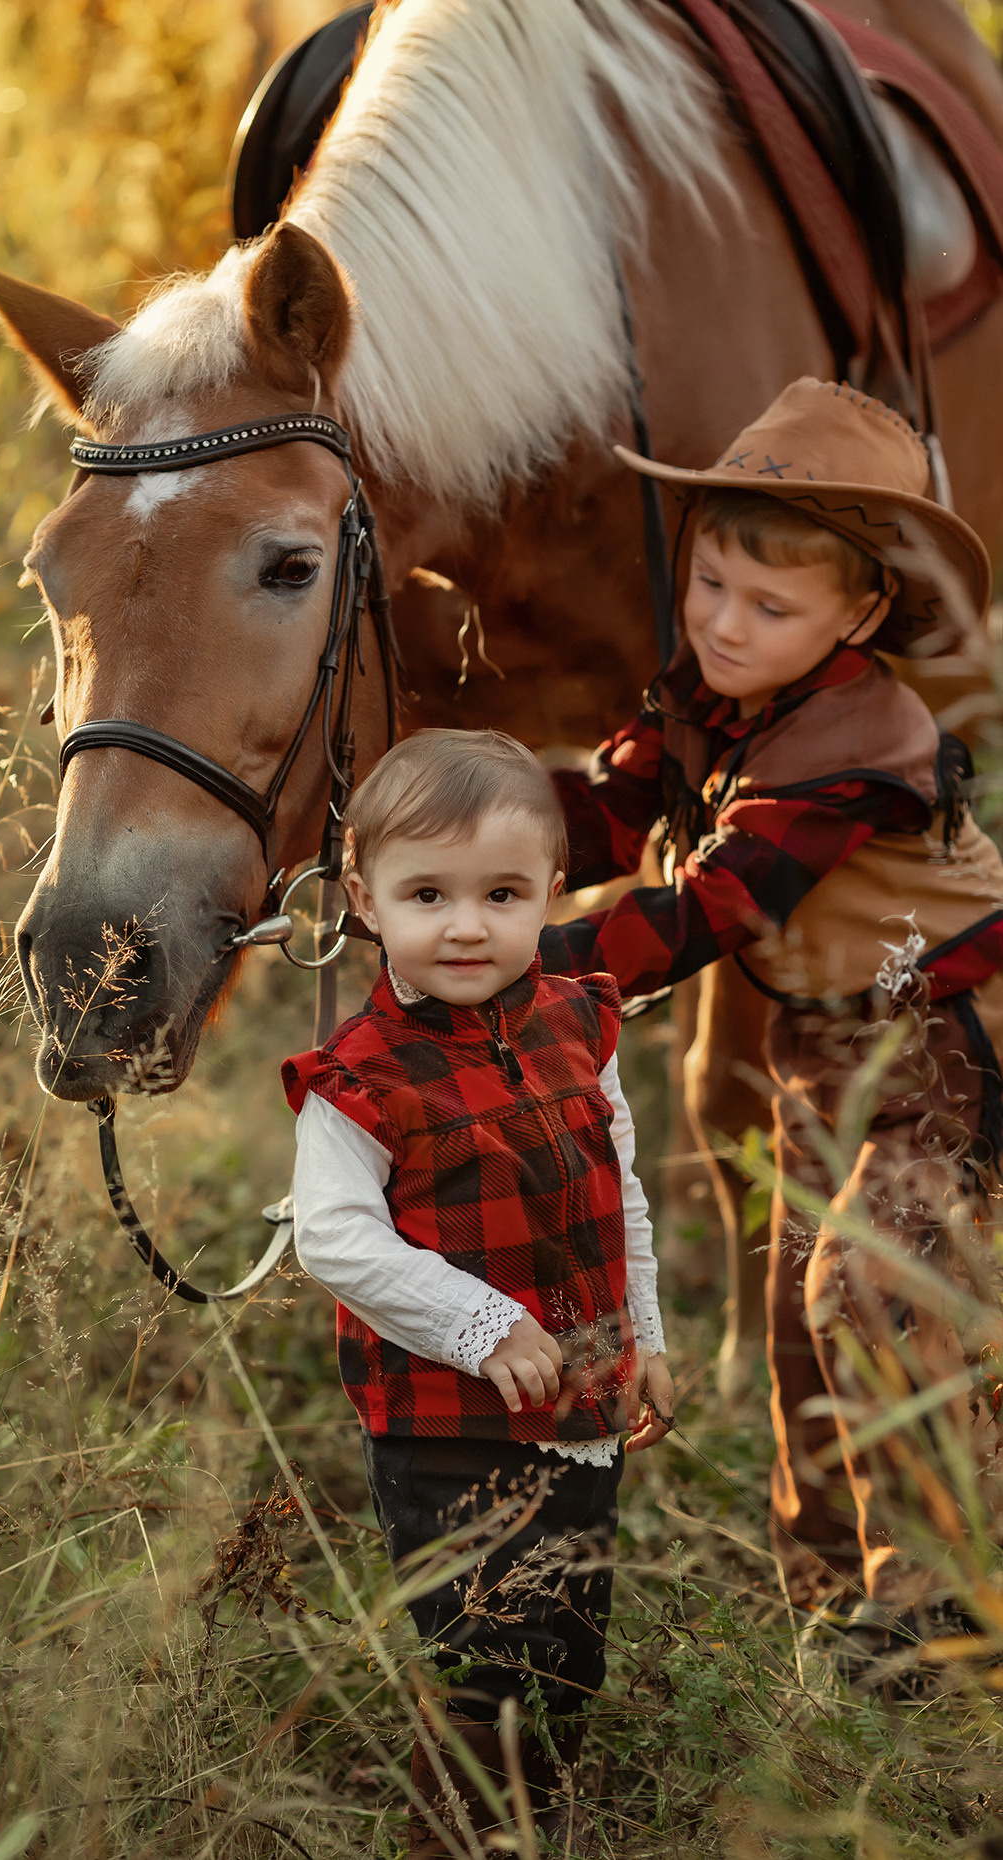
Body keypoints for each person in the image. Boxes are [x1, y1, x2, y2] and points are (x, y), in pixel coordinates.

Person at [540, 378, 1003, 1653]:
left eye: (769, 606)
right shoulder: (710, 689)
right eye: (708, 587)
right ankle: (832, 1577)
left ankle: (943, 1605)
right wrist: (455, 856)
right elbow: (606, 819)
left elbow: (708, 911)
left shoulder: (863, 743)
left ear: (857, 614)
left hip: (945, 1036)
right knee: (802, 1272)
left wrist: (520, 960)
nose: (724, 627)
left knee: (872, 1280)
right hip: (824, 1040)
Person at [282, 728, 673, 1854]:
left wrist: (643, 1332)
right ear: (363, 899)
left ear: (553, 891)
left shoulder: (575, 1021)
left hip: (583, 1402)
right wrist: (480, 1321)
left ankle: (530, 1827)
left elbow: (620, 1194)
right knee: (485, 1662)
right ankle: (452, 1837)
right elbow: (336, 1240)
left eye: (501, 893)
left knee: (565, 1654)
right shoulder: (356, 1078)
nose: (465, 925)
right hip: (447, 1425)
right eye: (427, 894)